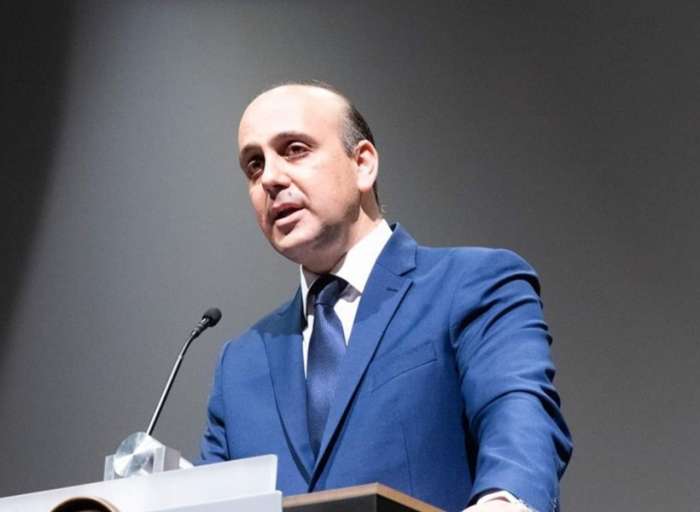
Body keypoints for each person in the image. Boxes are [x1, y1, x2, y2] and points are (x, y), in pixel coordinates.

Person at [199, 81, 572, 512]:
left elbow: (520, 421)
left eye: (295, 150)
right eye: (254, 165)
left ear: (362, 164)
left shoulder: (473, 285)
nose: (270, 178)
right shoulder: (240, 364)